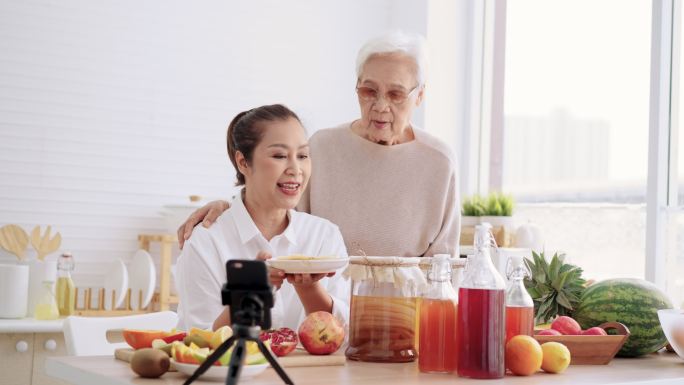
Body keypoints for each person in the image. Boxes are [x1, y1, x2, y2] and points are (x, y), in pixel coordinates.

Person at [178, 31, 460, 259]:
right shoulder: (322, 147)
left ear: (420, 95)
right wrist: (229, 208)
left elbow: (444, 268)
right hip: (321, 313)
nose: (380, 105)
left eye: (396, 93)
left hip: (407, 317)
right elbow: (276, 212)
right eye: (368, 91)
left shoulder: (438, 161)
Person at [175, 104, 349, 331]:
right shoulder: (206, 242)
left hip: (308, 368)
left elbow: (347, 338)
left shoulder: (324, 236)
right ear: (243, 162)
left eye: (303, 155)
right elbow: (197, 340)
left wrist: (309, 290)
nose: (296, 169)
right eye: (279, 155)